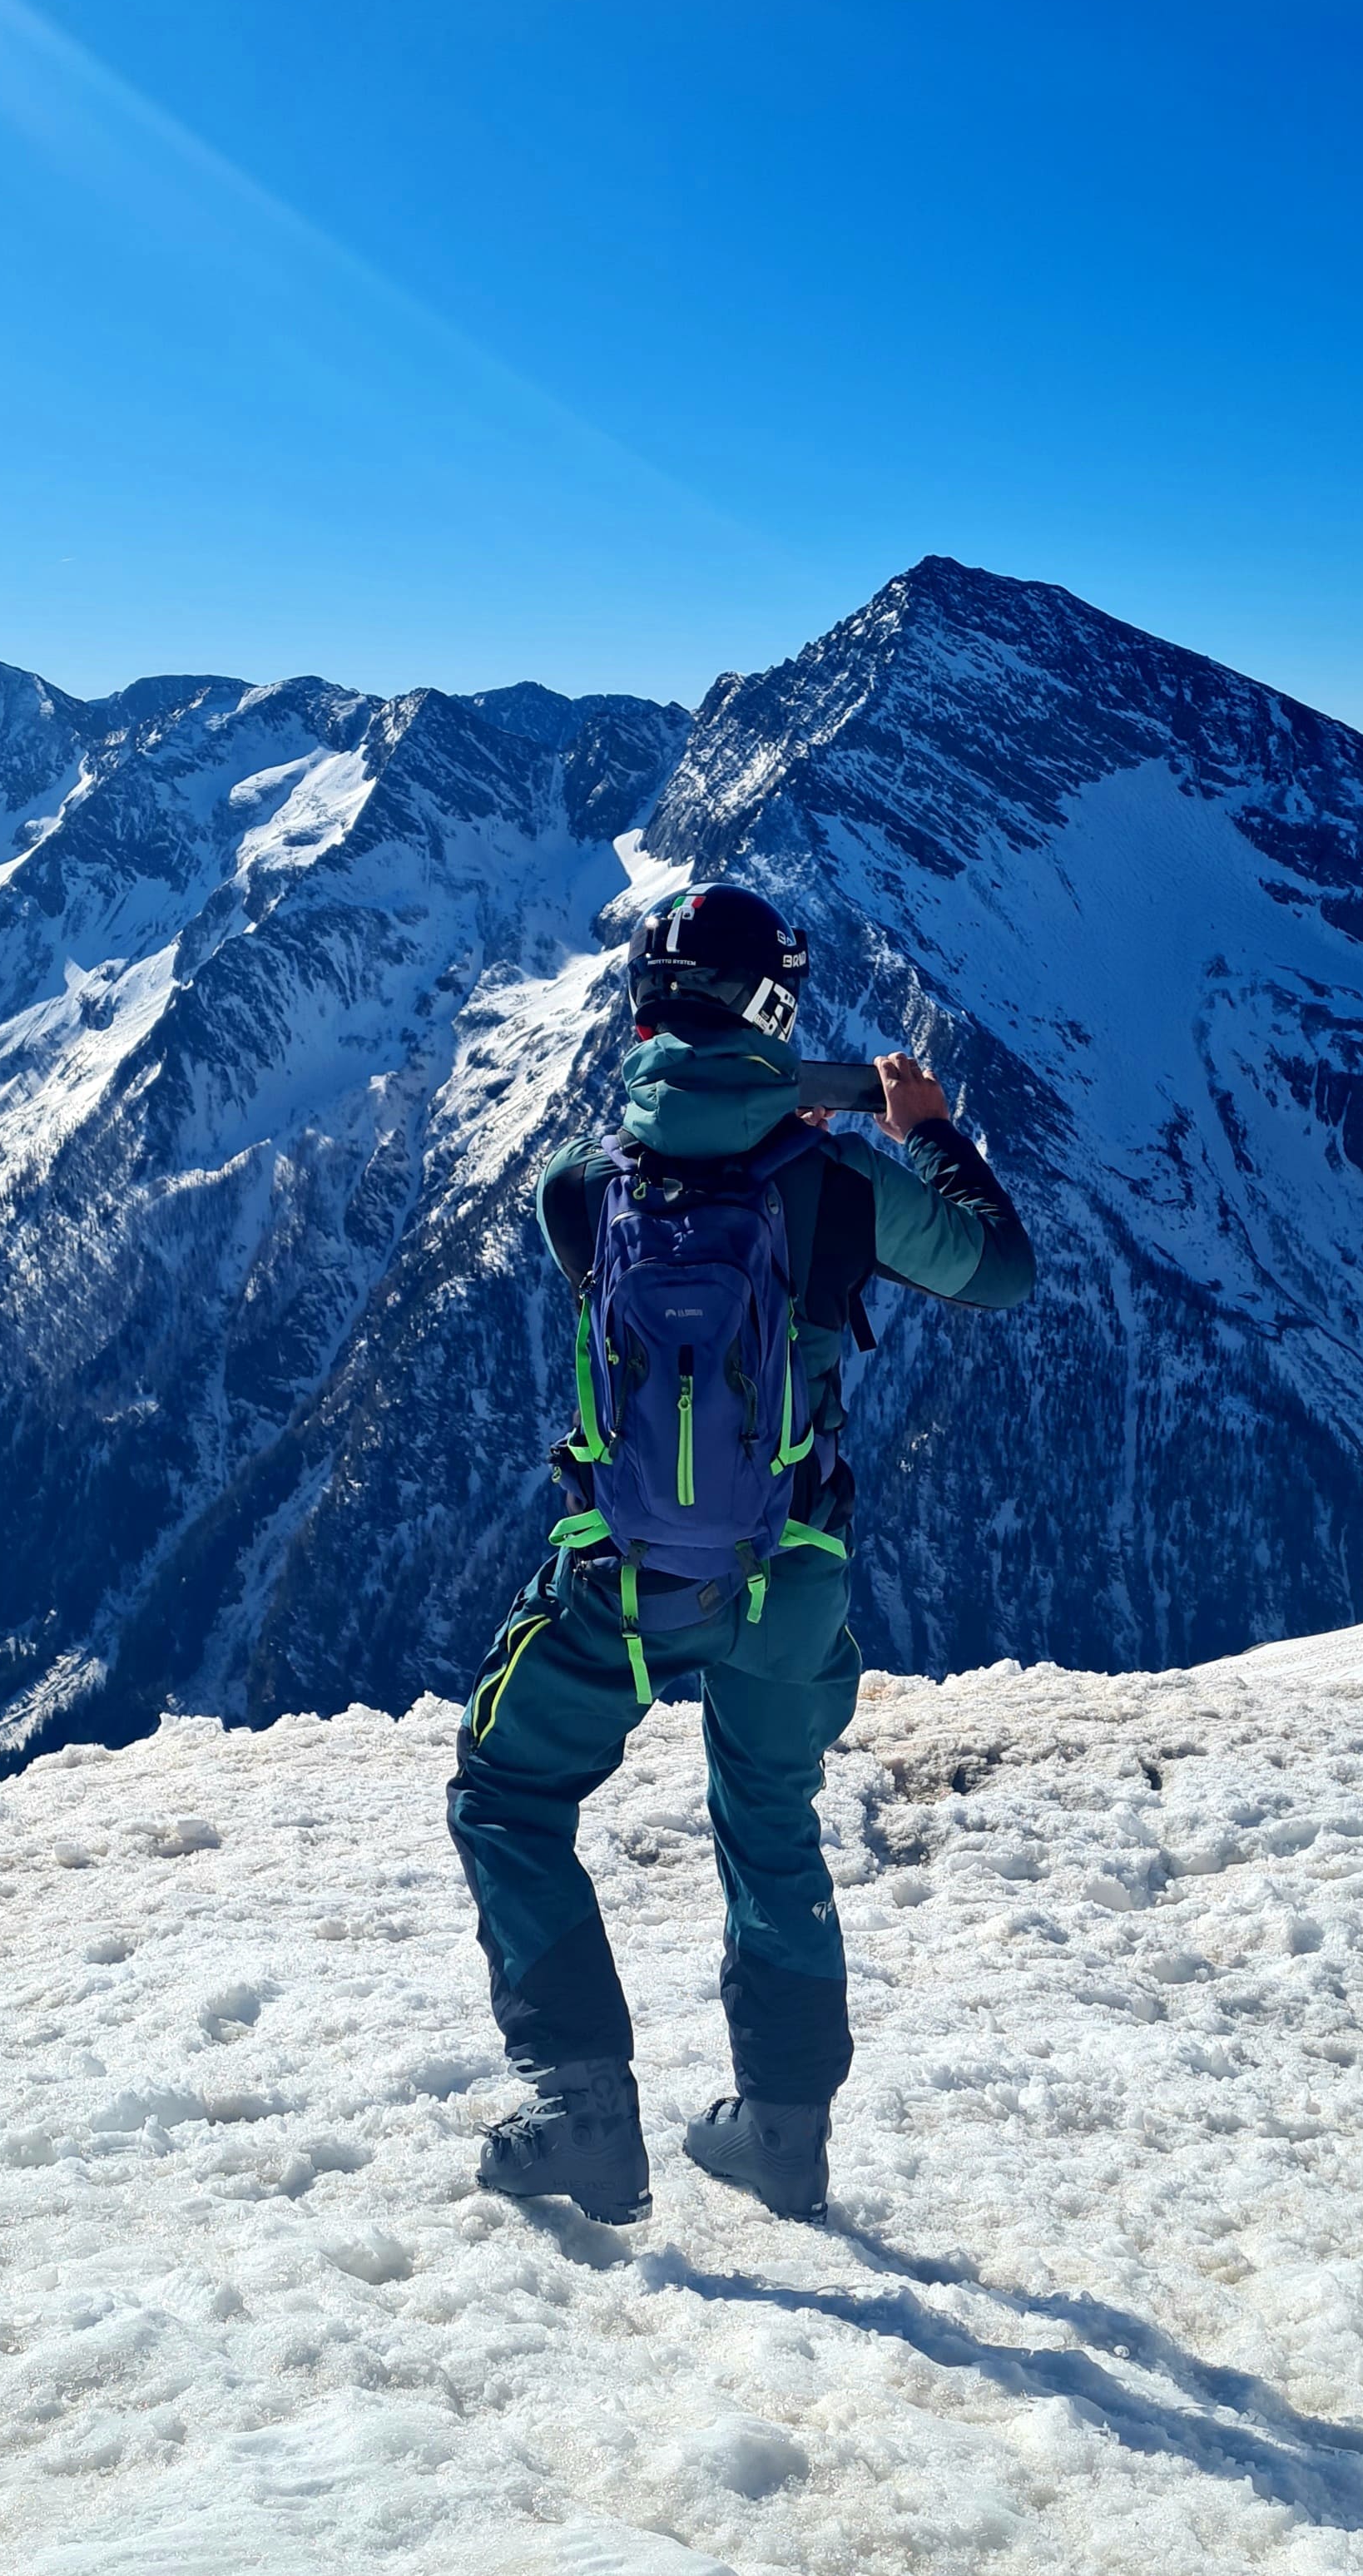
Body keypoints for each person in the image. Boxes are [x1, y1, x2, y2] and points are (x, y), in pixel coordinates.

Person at [447, 883, 1034, 2224]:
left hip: (619, 1584)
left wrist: (756, 1122)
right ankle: (781, 2127)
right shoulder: (836, 1185)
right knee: (768, 1825)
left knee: (506, 1792)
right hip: (787, 1580)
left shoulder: (580, 1187)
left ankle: (583, 2108)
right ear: (775, 1009)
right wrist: (922, 1133)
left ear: (644, 1011)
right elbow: (1001, 1269)